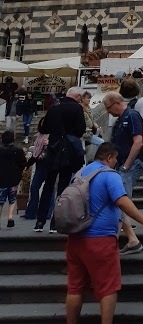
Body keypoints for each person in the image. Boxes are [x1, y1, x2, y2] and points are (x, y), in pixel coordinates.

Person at [64, 141, 143, 324]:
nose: (116, 163)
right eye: (115, 159)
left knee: (74, 287)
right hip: (100, 239)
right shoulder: (109, 175)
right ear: (108, 157)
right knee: (108, 286)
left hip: (75, 239)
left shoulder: (80, 174)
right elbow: (122, 201)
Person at [35, 86, 86, 233]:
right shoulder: (76, 108)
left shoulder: (54, 107)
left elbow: (44, 128)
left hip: (53, 148)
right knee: (63, 186)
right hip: (68, 150)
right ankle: (55, 222)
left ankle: (40, 221)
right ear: (76, 96)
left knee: (48, 185)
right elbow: (80, 129)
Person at [102, 91, 143, 254]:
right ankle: (132, 239)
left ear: (116, 103)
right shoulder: (121, 119)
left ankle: (112, 241)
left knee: (121, 200)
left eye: (108, 108)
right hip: (123, 164)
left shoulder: (131, 115)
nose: (108, 112)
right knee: (120, 200)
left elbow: (138, 142)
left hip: (131, 164)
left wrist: (126, 165)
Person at [0, 130, 26, 227]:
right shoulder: (18, 150)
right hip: (13, 177)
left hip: (1, 178)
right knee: (12, 198)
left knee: (0, 200)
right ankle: (10, 217)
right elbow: (23, 163)